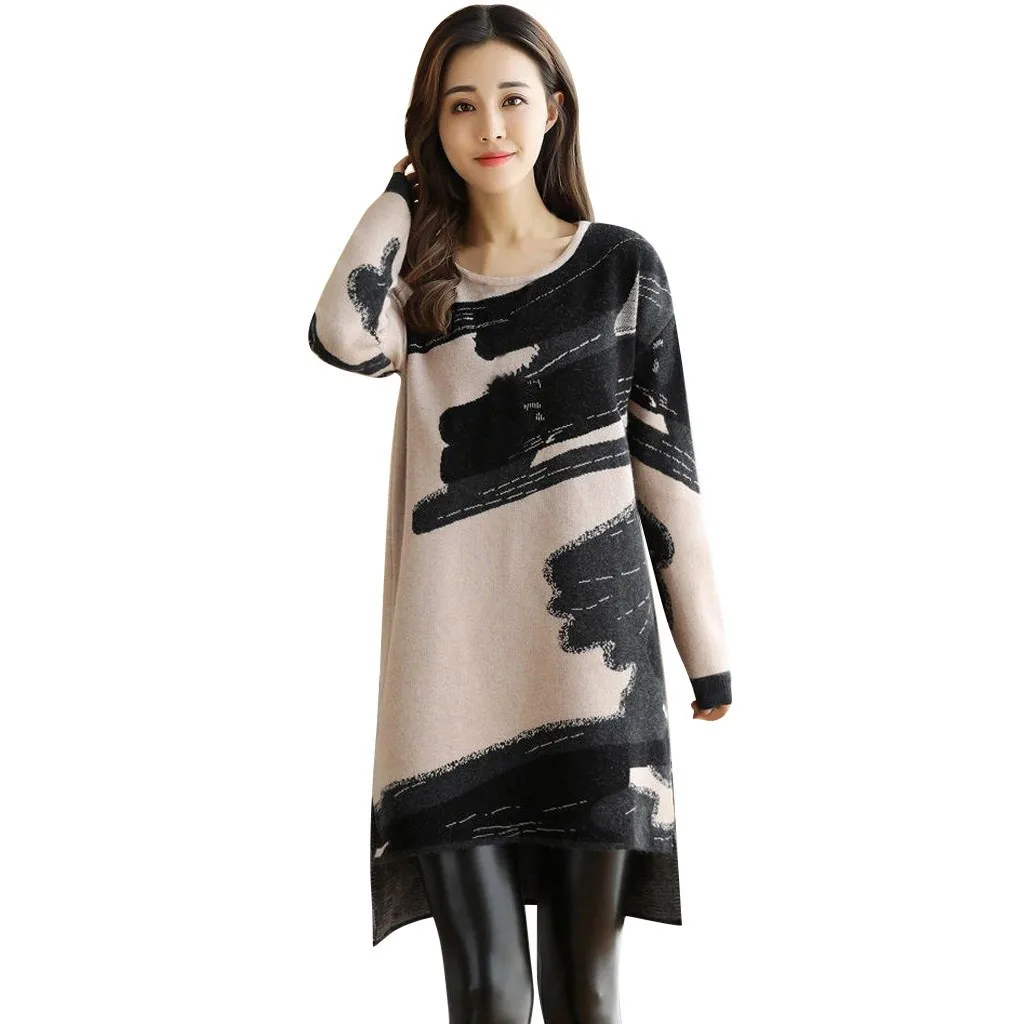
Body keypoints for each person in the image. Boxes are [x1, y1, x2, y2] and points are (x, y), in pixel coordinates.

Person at [308, 6, 732, 1022]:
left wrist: (705, 654)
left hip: (595, 680)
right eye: (459, 106)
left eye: (509, 98)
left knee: (587, 988)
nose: (489, 125)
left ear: (553, 110)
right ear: (431, 126)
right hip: (445, 682)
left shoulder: (620, 268)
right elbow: (336, 332)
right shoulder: (420, 289)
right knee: (487, 992)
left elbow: (664, 464)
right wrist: (399, 195)